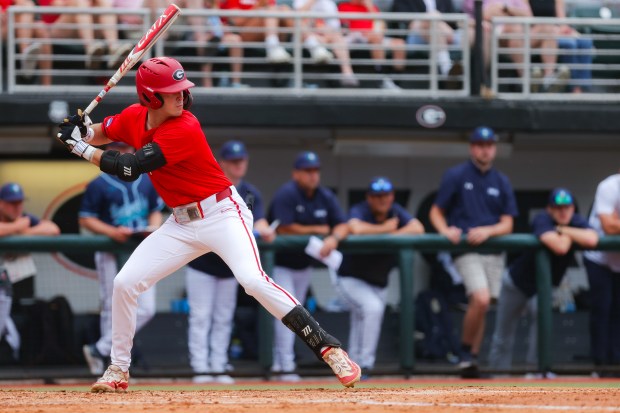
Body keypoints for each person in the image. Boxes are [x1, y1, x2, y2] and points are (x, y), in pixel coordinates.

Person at [55, 56, 360, 392]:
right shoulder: (132, 116)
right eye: (172, 91)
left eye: (183, 90)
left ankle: (329, 348)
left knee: (252, 281)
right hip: (181, 223)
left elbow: (129, 167)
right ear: (150, 97)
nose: (181, 96)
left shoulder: (185, 126)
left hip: (222, 214)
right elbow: (103, 132)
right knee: (125, 283)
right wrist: (81, 130)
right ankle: (117, 370)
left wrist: (79, 147)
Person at [429, 126, 518, 378]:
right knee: (479, 298)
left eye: (489, 145)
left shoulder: (501, 180)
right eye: (480, 144)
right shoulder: (456, 175)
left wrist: (489, 231)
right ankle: (465, 353)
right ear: (472, 148)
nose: (485, 149)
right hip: (466, 249)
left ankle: (471, 361)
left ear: (495, 148)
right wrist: (445, 230)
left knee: (484, 304)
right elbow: (436, 212)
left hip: (493, 250)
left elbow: (508, 223)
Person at [186, 140, 276, 384]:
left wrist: (265, 230)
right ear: (222, 163)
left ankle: (217, 366)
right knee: (201, 316)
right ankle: (200, 367)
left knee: (224, 317)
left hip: (228, 267)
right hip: (202, 263)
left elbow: (259, 221)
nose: (239, 165)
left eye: (242, 160)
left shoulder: (251, 192)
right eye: (233, 161)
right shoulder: (208, 185)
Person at [488, 188, 598, 372]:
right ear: (550, 209)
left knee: (542, 329)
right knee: (503, 334)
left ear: (572, 209)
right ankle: (498, 375)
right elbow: (560, 246)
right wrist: (570, 234)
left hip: (543, 288)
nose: (563, 212)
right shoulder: (542, 219)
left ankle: (536, 372)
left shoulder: (574, 221)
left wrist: (562, 229)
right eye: (558, 208)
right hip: (516, 284)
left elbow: (593, 239)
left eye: (567, 207)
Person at [79, 142, 165, 376]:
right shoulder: (98, 184)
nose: (125, 152)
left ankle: (100, 349)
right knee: (110, 305)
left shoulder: (147, 179)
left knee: (146, 308)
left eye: (127, 147)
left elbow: (156, 209)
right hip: (111, 249)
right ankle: (112, 365)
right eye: (118, 147)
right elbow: (86, 219)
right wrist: (111, 232)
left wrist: (153, 227)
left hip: (142, 248)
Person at [267, 151, 350, 381]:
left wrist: (333, 237)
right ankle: (282, 365)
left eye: (315, 171)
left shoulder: (324, 195)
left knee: (297, 315)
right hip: (281, 265)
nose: (313, 175)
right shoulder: (287, 193)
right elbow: (284, 228)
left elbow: (342, 224)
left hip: (303, 267)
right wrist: (320, 229)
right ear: (297, 173)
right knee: (286, 314)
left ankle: (285, 363)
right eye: (307, 171)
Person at [335, 176, 425, 378]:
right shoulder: (362, 209)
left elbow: (418, 228)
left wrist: (392, 235)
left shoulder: (396, 212)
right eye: (377, 196)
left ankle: (352, 367)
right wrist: (385, 229)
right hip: (351, 278)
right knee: (372, 309)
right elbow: (355, 228)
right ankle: (364, 365)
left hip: (378, 282)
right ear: (369, 197)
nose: (382, 200)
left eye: (385, 195)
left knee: (363, 318)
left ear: (392, 196)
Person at [0, 182, 61, 360]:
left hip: (12, 288)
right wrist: (17, 228)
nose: (17, 207)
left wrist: (22, 232)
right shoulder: (21, 222)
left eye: (19, 202)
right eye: (12, 203)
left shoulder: (25, 219)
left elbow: (53, 229)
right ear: (1, 203)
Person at [462, 0, 569, 93]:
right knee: (514, 30)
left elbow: (528, 16)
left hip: (521, 33)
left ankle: (548, 80)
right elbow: (485, 14)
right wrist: (512, 14)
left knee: (547, 28)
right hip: (494, 34)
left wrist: (506, 9)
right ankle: (527, 80)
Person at [391, 0, 490, 79]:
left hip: (446, 33)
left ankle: (481, 80)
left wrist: (477, 24)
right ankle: (446, 70)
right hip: (417, 36)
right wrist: (434, 20)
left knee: (479, 33)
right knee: (432, 21)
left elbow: (455, 19)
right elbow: (407, 23)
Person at [583, 172, 620, 377]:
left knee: (618, 313)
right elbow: (608, 226)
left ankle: (616, 364)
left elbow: (616, 225)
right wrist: (614, 223)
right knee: (602, 310)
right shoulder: (610, 186)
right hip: (599, 259)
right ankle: (600, 366)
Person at [38, 0, 133, 70]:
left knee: (103, 2)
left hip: (86, 24)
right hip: (54, 28)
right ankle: (90, 47)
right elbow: (48, 9)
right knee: (80, 2)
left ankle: (114, 47)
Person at [337, 0, 406, 90]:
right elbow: (343, 27)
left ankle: (396, 81)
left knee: (399, 44)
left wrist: (369, 7)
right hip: (353, 36)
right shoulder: (343, 6)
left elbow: (382, 26)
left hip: (373, 36)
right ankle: (381, 76)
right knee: (376, 38)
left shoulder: (372, 7)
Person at [528, 0, 593, 94]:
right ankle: (572, 88)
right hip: (538, 33)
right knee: (570, 44)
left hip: (556, 31)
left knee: (585, 42)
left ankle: (581, 88)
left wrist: (563, 29)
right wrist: (551, 29)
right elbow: (530, 22)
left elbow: (562, 20)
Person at [293, 0, 360, 87]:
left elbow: (334, 28)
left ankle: (347, 74)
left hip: (324, 36)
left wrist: (324, 38)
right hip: (303, 35)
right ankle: (315, 46)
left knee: (337, 37)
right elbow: (297, 18)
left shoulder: (328, 3)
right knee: (302, 27)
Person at [219, 0, 293, 64]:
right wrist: (256, 8)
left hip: (271, 32)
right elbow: (236, 22)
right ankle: (272, 46)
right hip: (243, 33)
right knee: (269, 10)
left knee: (284, 8)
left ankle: (303, 39)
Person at [1, 0, 52, 85]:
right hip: (3, 24)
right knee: (27, 6)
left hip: (14, 19)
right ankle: (26, 57)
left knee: (41, 29)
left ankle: (47, 89)